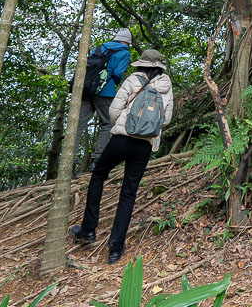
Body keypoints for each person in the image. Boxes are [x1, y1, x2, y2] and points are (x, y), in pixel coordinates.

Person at [70, 48, 174, 263]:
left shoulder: (133, 79)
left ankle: (88, 229)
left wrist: (123, 124)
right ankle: (115, 248)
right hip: (144, 146)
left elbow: (114, 109)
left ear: (142, 64)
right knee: (129, 193)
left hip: (121, 139)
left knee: (98, 175)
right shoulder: (166, 86)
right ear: (158, 66)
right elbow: (166, 119)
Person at [76, 28, 133, 170]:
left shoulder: (101, 47)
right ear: (126, 42)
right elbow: (118, 74)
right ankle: (96, 160)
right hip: (105, 93)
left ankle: (71, 164)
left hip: (87, 90)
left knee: (78, 125)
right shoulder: (124, 52)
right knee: (107, 124)